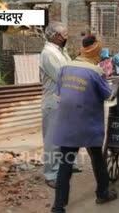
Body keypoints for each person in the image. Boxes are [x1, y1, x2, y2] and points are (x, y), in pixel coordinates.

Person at [51, 35, 119, 213]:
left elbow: (59, 95)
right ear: (97, 51)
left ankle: (58, 207)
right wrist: (117, 85)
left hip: (67, 123)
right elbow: (108, 95)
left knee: (65, 165)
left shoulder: (65, 67)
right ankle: (102, 193)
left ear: (82, 48)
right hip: (88, 124)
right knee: (97, 159)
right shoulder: (95, 72)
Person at [39, 22, 75, 188]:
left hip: (64, 101)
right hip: (53, 102)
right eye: (64, 34)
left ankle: (66, 165)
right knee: (52, 140)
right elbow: (63, 75)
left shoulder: (60, 51)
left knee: (66, 136)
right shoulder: (48, 54)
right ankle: (51, 174)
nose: (67, 37)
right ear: (56, 36)